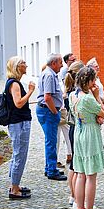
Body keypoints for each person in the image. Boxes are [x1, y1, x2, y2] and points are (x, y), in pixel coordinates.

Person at [70, 66, 104, 209]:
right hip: (89, 134)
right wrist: (97, 96)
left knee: (80, 174)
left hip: (78, 132)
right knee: (91, 175)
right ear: (90, 81)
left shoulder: (73, 95)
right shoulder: (88, 98)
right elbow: (103, 113)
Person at [5, 56, 35, 199]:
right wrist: (30, 91)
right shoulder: (15, 84)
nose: (26, 65)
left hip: (18, 122)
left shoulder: (13, 83)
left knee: (17, 153)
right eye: (23, 63)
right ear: (17, 67)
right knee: (20, 154)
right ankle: (14, 189)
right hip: (19, 123)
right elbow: (18, 103)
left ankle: (14, 185)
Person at [36, 53, 67, 181]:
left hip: (46, 110)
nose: (62, 65)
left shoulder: (47, 73)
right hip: (49, 112)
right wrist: (55, 112)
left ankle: (49, 167)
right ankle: (51, 171)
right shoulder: (49, 75)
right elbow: (47, 97)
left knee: (50, 141)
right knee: (51, 142)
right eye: (60, 62)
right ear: (53, 63)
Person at [64, 61, 84, 209]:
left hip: (72, 128)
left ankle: (72, 196)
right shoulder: (76, 93)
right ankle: (77, 199)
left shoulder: (69, 91)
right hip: (78, 128)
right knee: (78, 167)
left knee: (73, 166)